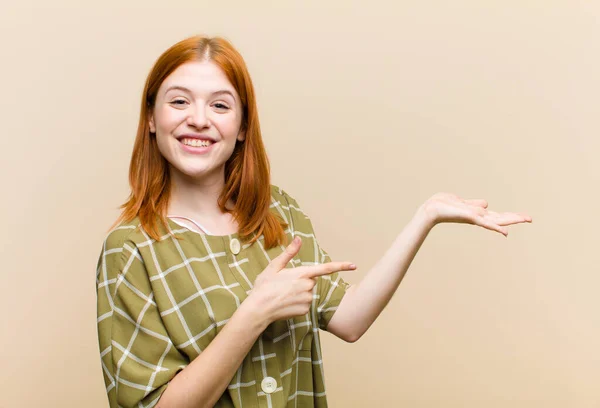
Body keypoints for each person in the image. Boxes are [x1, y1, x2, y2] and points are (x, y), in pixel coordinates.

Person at [95, 35, 532, 408]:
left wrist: (426, 216)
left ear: (243, 125)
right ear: (152, 117)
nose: (199, 119)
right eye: (179, 101)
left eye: (221, 105)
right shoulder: (131, 247)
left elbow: (349, 320)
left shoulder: (277, 213)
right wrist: (254, 312)